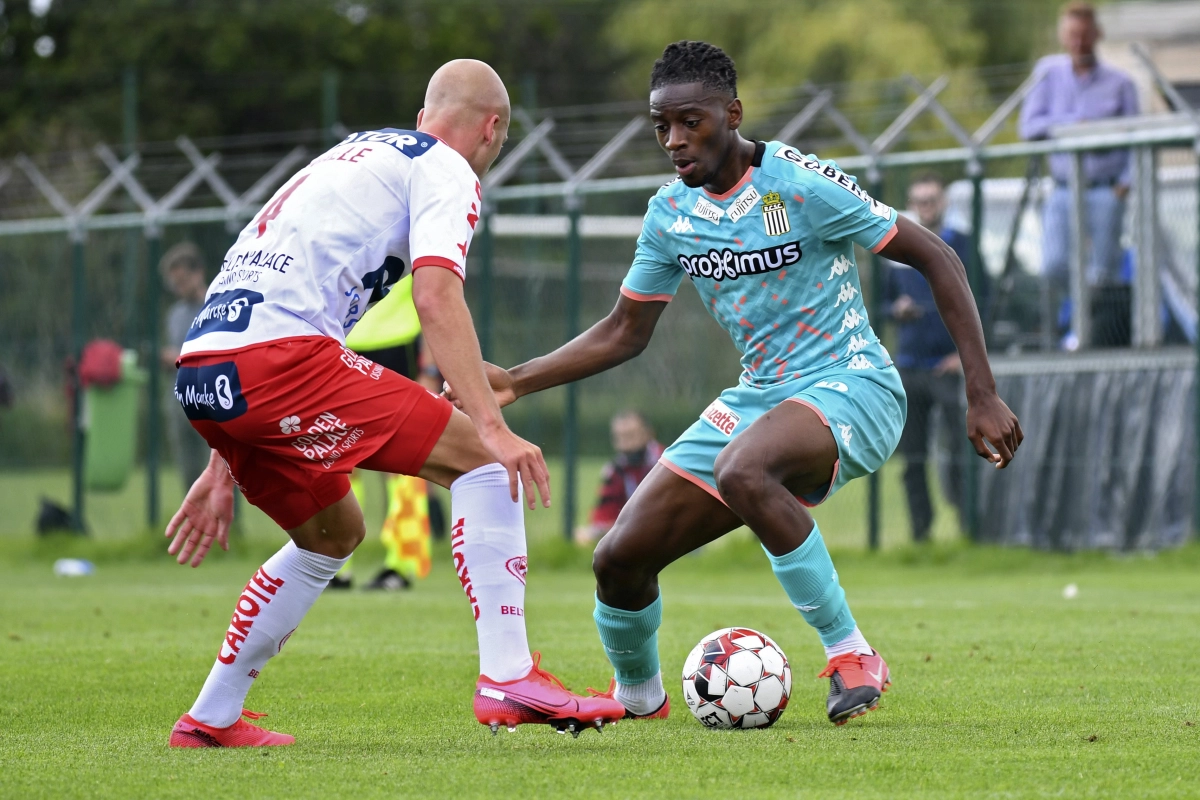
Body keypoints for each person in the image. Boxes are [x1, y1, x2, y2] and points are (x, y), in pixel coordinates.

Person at [447, 41, 1022, 725]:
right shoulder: (670, 215)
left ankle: (851, 654)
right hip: (761, 396)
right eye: (661, 126)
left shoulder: (800, 185)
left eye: (691, 122)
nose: (674, 140)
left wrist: (980, 393)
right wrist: (515, 380)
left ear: (732, 113)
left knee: (743, 468)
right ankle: (637, 699)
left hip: (854, 385)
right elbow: (624, 332)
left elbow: (938, 257)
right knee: (619, 559)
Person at [164, 59, 624, 748]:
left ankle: (210, 718)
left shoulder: (355, 154)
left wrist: (220, 461)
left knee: (332, 534)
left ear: (421, 117)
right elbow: (437, 295)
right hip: (279, 362)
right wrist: (492, 426)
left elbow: (265, 283)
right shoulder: (447, 168)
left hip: (207, 371)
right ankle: (507, 674)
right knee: (483, 463)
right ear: (493, 129)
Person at [1018, 1, 1138, 344]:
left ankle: (1093, 338)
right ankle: (1076, 323)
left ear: (1096, 34)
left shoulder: (1120, 82)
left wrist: (1125, 184)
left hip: (1105, 189)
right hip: (1063, 188)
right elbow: (1030, 126)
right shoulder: (1047, 73)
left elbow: (1137, 136)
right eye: (1072, 35)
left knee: (1104, 272)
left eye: (1085, 35)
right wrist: (1074, 126)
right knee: (1054, 264)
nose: (1078, 43)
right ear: (1063, 36)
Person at [329, 274, 447, 591]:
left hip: (398, 345)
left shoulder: (410, 228)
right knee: (338, 460)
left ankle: (402, 564)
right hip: (341, 347)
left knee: (401, 464)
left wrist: (431, 369)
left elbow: (436, 293)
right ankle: (335, 564)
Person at [884, 175, 969, 543]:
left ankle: (970, 528)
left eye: (931, 200)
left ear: (943, 202)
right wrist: (896, 308)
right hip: (910, 365)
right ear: (911, 203)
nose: (925, 207)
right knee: (912, 458)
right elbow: (881, 303)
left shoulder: (962, 245)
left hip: (946, 366)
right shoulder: (898, 250)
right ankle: (921, 534)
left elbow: (980, 300)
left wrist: (960, 356)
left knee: (961, 452)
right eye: (919, 201)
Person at [159, 242, 213, 493]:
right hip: (180, 402)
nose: (178, 289)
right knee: (187, 468)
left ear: (198, 273)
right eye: (174, 283)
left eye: (182, 281)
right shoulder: (175, 314)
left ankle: (229, 526)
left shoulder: (216, 307)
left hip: (212, 401)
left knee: (219, 465)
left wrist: (180, 357)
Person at [575, 411, 663, 544]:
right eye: (620, 438)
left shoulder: (664, 462)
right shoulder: (615, 470)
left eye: (631, 436)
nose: (625, 444)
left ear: (648, 434)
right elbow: (604, 515)